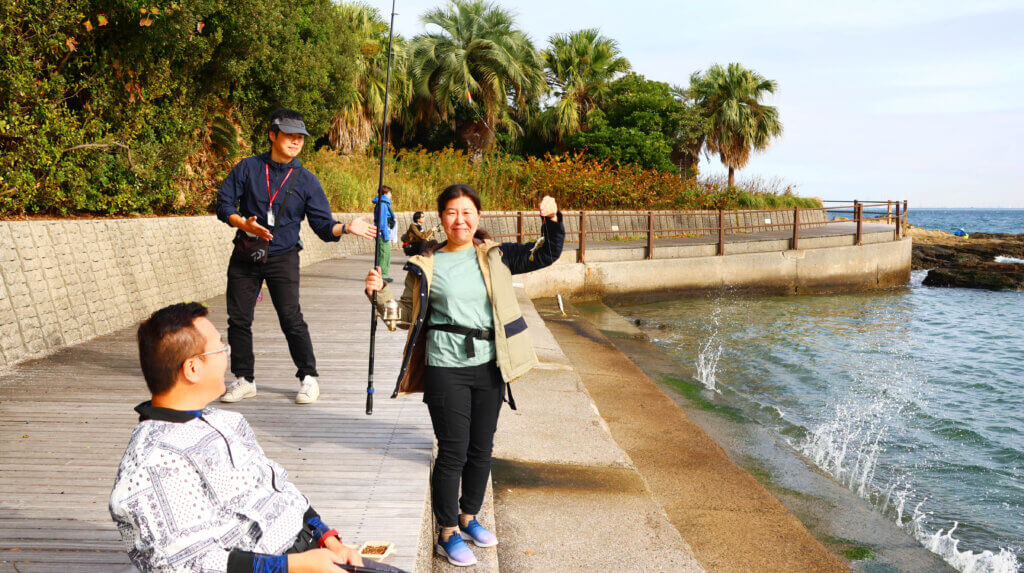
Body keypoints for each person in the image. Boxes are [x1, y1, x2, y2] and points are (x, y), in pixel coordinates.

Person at [109, 302, 407, 573]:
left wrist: (329, 540)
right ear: (193, 367)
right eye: (220, 347)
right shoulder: (154, 462)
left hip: (313, 554)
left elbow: (279, 486)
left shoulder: (226, 420)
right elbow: (185, 563)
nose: (228, 353)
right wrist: (294, 566)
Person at [364, 185, 563, 567]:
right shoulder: (425, 263)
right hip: (445, 365)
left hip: (491, 363)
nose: (461, 219)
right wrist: (377, 294)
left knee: (481, 447)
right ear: (441, 218)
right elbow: (404, 315)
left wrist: (551, 219)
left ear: (478, 216)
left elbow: (547, 253)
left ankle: (470, 516)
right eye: (452, 212)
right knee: (453, 449)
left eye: (467, 212)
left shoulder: (497, 255)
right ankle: (447, 532)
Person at [216, 108, 376, 405]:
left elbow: (323, 227)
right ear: (272, 135)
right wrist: (243, 224)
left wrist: (347, 228)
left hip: (283, 257)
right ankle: (244, 379)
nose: (295, 141)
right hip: (246, 252)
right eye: (289, 135)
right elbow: (223, 204)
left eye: (299, 137)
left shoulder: (306, 181)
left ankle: (309, 377)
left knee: (291, 318)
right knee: (238, 319)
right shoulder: (248, 168)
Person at [372, 186, 396, 282]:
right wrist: (385, 234)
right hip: (382, 232)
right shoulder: (383, 204)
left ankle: (383, 274)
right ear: (385, 193)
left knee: (386, 253)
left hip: (384, 231)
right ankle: (382, 275)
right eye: (390, 193)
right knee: (383, 253)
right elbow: (382, 221)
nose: (391, 195)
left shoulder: (384, 203)